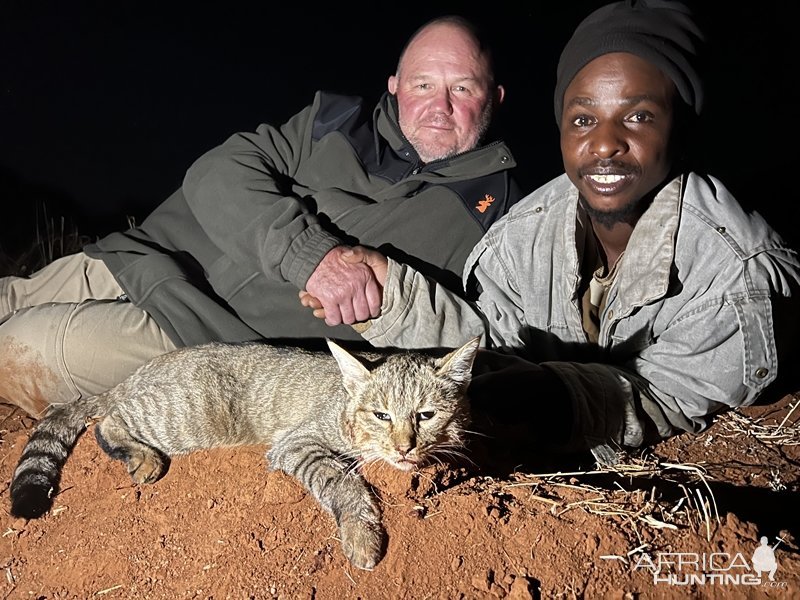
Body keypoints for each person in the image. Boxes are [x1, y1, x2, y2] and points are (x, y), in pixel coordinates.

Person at [301, 0, 800, 462]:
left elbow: (672, 395)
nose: (605, 143)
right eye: (583, 118)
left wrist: (559, 397)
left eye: (639, 116)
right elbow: (491, 343)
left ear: (681, 128)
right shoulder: (520, 236)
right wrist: (397, 297)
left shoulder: (734, 273)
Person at [0, 15, 522, 418]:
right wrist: (314, 259)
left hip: (201, 337)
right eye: (423, 84)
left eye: (463, 88)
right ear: (394, 85)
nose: (440, 106)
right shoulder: (334, 120)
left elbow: (493, 337)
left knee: (21, 349)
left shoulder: (502, 214)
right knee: (10, 297)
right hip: (148, 255)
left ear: (493, 98)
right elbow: (217, 171)